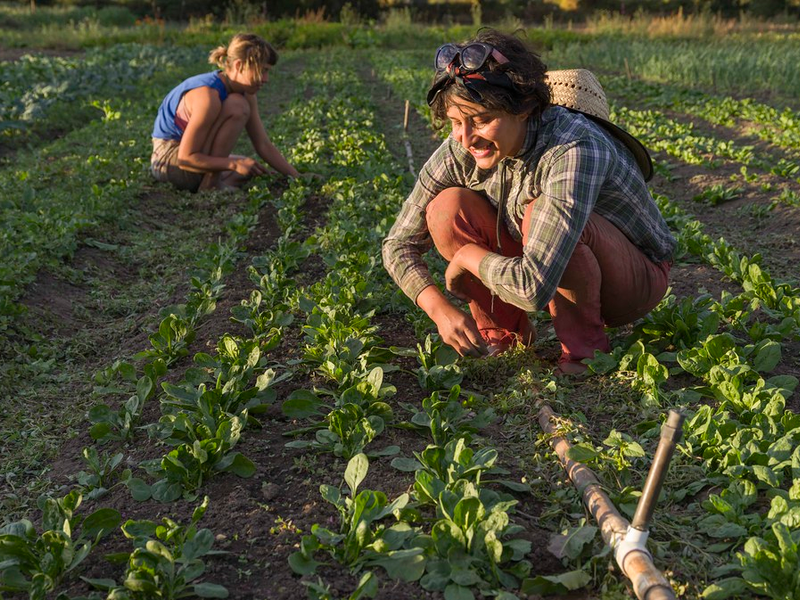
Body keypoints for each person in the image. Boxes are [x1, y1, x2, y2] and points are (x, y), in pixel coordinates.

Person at [381, 29, 676, 375]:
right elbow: (397, 244)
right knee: (447, 209)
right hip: (542, 261)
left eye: (482, 120)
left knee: (540, 212)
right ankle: (504, 336)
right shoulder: (462, 144)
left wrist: (468, 257)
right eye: (456, 122)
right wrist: (438, 309)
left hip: (631, 280)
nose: (466, 137)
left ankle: (584, 355)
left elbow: (533, 287)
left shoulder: (574, 148)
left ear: (524, 109)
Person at [151, 33, 300, 193]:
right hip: (168, 161)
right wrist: (232, 164)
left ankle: (219, 178)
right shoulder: (208, 97)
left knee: (250, 167)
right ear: (238, 65)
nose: (266, 79)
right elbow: (184, 159)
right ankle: (211, 184)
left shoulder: (246, 93)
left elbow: (262, 144)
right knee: (237, 106)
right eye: (262, 70)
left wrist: (297, 177)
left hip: (189, 158)